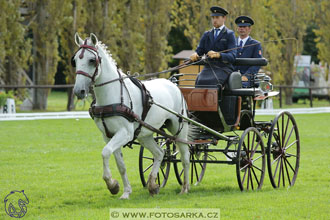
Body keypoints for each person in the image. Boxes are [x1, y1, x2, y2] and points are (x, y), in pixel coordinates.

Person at [190, 6, 236, 88]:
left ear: (224, 18)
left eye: (217, 17)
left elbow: (232, 56)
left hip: (224, 68)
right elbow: (200, 50)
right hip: (209, 67)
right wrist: (195, 54)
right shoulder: (207, 34)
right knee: (199, 81)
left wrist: (219, 55)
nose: (214, 20)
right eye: (213, 17)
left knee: (213, 82)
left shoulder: (229, 34)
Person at [234, 15, 262, 87]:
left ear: (249, 29)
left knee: (240, 87)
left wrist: (247, 76)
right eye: (240, 27)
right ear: (237, 28)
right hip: (232, 76)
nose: (242, 29)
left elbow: (257, 64)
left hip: (248, 79)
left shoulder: (255, 44)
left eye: (244, 27)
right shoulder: (232, 43)